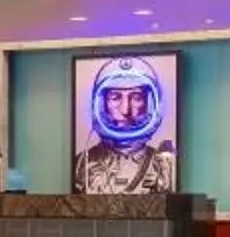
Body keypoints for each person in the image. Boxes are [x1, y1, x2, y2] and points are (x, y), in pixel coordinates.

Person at [74, 56, 177, 193]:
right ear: (102, 103)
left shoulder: (162, 163)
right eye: (115, 97)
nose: (125, 110)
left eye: (136, 98)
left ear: (150, 103)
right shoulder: (83, 162)